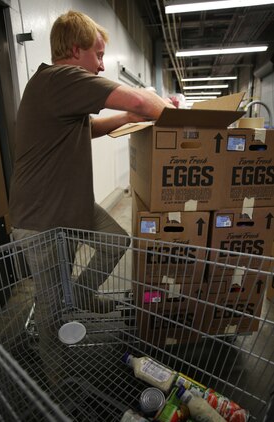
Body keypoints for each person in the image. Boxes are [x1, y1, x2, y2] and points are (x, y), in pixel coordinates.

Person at [9, 10, 174, 378]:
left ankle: (80, 295)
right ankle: (57, 384)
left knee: (115, 242)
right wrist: (164, 109)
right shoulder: (62, 78)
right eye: (98, 55)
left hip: (70, 207)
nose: (101, 65)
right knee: (51, 312)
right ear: (74, 49)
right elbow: (143, 103)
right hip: (40, 220)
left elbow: (89, 128)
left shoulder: (56, 89)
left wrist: (127, 120)